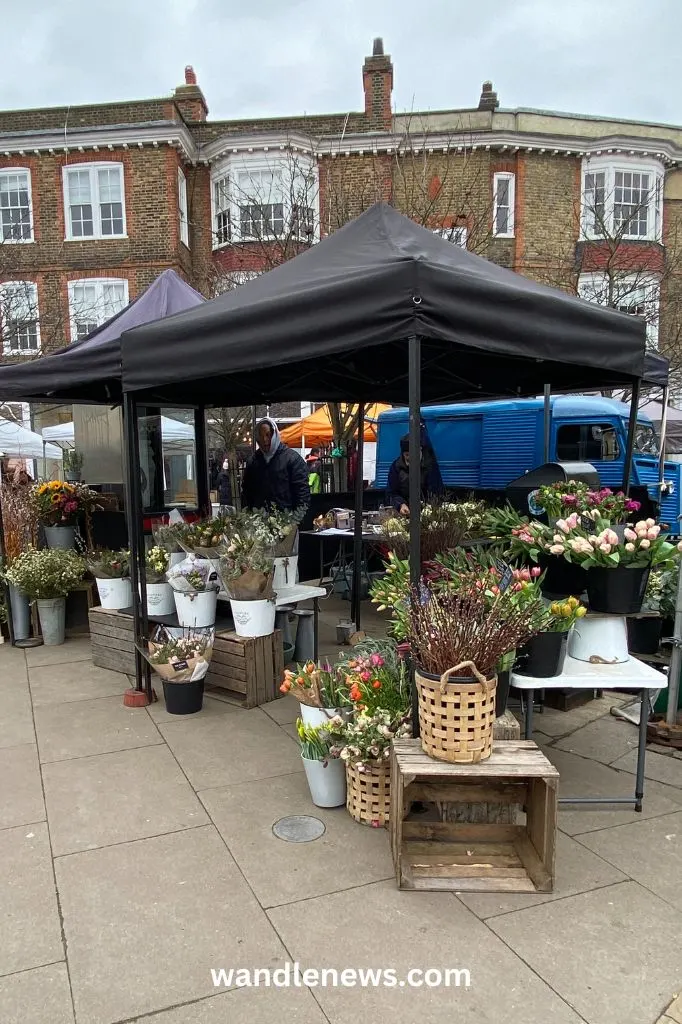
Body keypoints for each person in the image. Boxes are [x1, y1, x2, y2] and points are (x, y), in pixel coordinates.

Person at [241, 417, 310, 512]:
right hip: (258, 523)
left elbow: (302, 496)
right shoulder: (253, 462)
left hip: (286, 522)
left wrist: (295, 522)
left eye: (268, 435)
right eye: (261, 436)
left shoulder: (293, 459)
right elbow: (246, 494)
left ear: (275, 435)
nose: (265, 440)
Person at [387, 433, 439, 515]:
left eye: (413, 454)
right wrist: (401, 504)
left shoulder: (430, 466)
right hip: (405, 512)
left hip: (426, 512)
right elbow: (392, 492)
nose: (410, 457)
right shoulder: (396, 467)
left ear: (420, 450)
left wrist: (427, 509)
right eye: (407, 455)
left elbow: (435, 492)